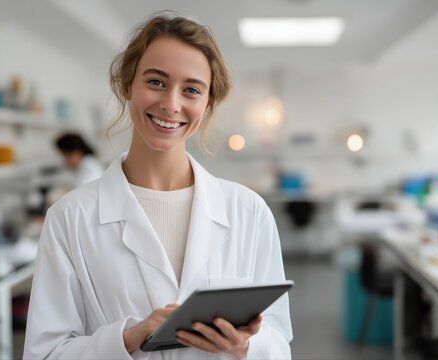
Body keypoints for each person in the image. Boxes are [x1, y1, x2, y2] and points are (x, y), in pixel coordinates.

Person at [24, 14, 292, 359]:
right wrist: (128, 338)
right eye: (156, 82)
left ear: (207, 103)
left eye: (192, 90)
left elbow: (279, 341)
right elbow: (44, 354)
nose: (171, 104)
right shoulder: (69, 217)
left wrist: (246, 345)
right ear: (127, 85)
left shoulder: (248, 211)